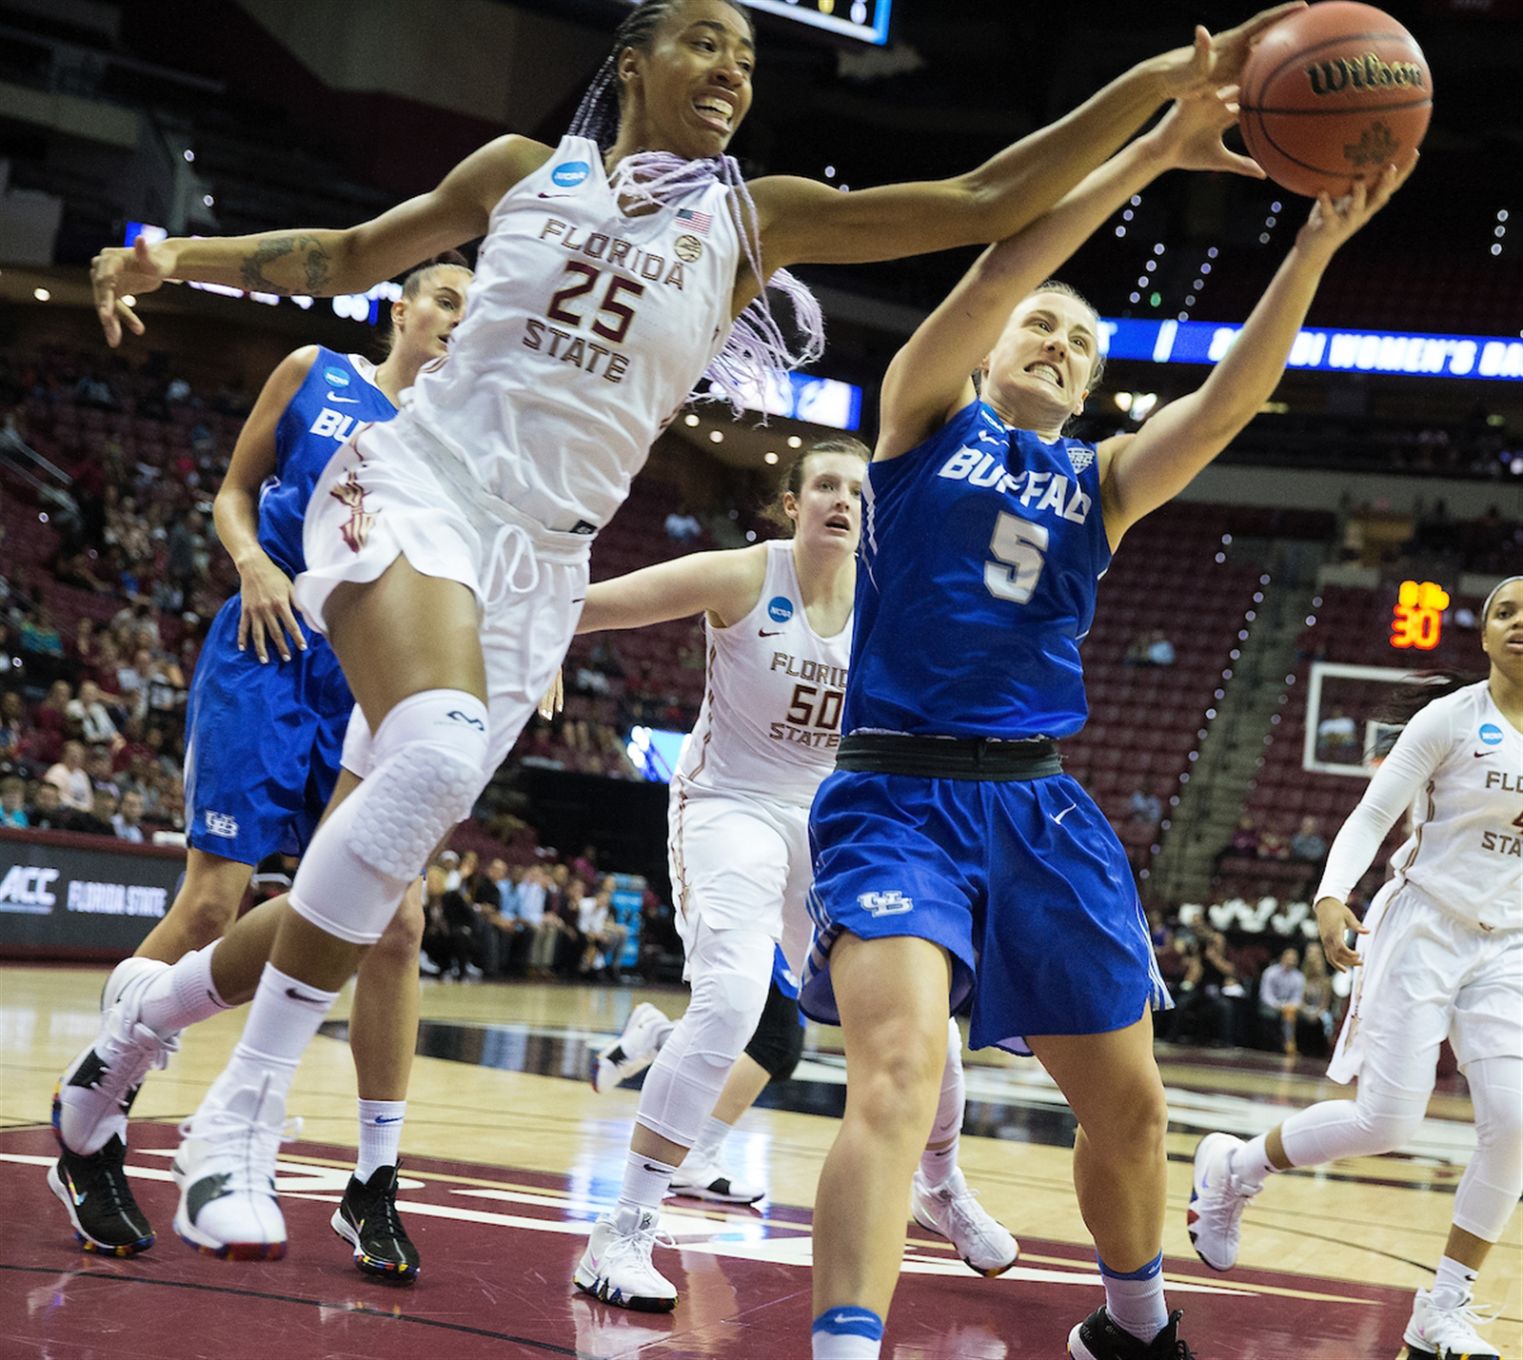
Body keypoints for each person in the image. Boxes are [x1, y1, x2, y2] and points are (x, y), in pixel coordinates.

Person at [79, 0, 1303, 1265]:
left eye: (750, 56)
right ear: (631, 63)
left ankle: (133, 1036)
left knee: (374, 880)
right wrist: (173, 254)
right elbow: (344, 254)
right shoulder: (517, 173)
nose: (732, 68)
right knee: (437, 758)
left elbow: (988, 199)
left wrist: (1155, 93)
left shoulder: (747, 219)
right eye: (705, 42)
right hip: (415, 484)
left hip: (539, 561)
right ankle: (241, 1118)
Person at [795, 76, 1408, 1360]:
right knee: (897, 1077)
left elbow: (1227, 404)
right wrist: (1153, 154)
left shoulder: (1102, 482)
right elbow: (998, 257)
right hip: (896, 798)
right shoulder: (917, 420)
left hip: (1038, 805)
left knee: (1129, 1107)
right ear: (992, 344)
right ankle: (845, 1343)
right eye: (1039, 325)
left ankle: (1133, 1325)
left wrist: (1311, 242)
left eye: (1081, 342)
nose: (1057, 341)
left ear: (1090, 391)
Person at [47, 256, 472, 1276]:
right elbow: (235, 494)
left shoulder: (465, 437)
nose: (463, 319)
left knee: (400, 920)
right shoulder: (314, 369)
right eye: (449, 298)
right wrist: (250, 559)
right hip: (267, 646)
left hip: (374, 667)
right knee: (210, 905)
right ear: (402, 308)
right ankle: (99, 1117)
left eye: (478, 307)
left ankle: (372, 1178)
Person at [574, 437, 1016, 1310]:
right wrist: (546, 647)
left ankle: (941, 1183)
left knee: (921, 1013)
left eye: (859, 490)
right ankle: (620, 1228)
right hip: (729, 806)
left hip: (834, 821)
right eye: (824, 485)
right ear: (791, 503)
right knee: (735, 998)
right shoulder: (742, 576)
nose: (842, 500)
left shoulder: (893, 606)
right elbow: (587, 605)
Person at [1188, 576, 1522, 1360]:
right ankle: (1235, 1167)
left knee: (1514, 1125)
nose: (1520, 624)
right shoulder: (1451, 718)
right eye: (1506, 611)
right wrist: (1332, 895)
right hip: (1420, 929)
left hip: (1505, 944)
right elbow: (1372, 813)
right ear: (1482, 634)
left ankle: (1442, 1307)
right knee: (1388, 1121)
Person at [1255, 947, 1304, 1056]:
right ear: (1282, 957)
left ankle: (1288, 1046)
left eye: (1293, 958)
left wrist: (1290, 1006)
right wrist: (1277, 1005)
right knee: (1270, 1014)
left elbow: (1297, 998)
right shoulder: (1270, 972)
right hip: (1271, 1005)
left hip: (1288, 1008)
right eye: (1288, 957)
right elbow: (1265, 995)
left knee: (1291, 1015)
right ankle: (1270, 1048)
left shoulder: (1299, 977)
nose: (1291, 960)